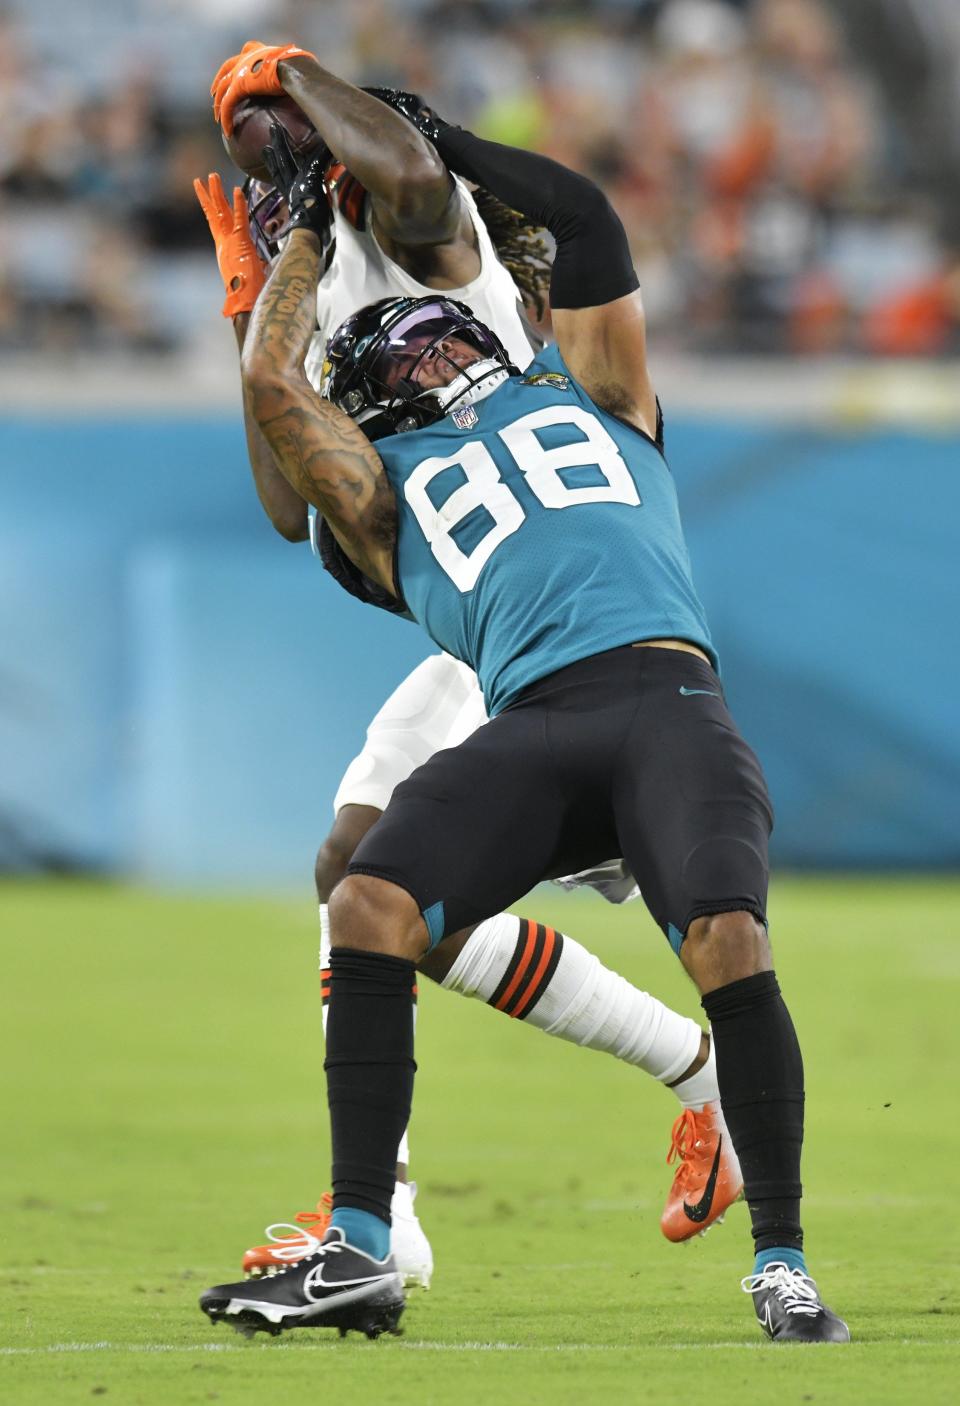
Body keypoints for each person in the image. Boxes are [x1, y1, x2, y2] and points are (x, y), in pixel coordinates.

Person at [198, 69, 850, 1341]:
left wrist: (331, 110)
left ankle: (781, 1255)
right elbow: (291, 457)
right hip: (524, 692)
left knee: (727, 936)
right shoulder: (377, 494)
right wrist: (266, 287)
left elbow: (441, 189)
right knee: (362, 888)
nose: (421, 353)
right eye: (397, 361)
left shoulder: (572, 377)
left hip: (656, 684)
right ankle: (368, 1234)